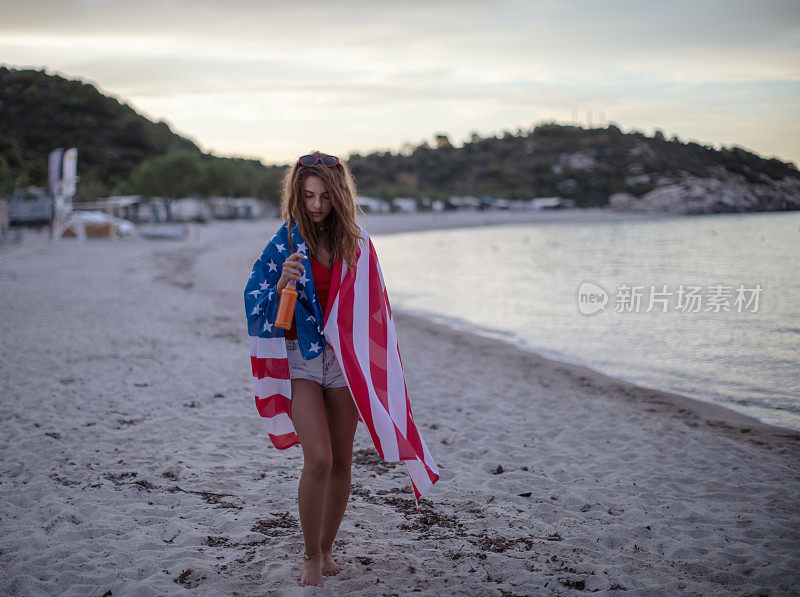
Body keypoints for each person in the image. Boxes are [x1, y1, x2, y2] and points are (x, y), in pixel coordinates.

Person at [244, 151, 439, 588]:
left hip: (343, 362)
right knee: (320, 458)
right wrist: (280, 287)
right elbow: (255, 304)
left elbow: (376, 310)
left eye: (324, 196)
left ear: (339, 196)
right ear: (297, 195)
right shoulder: (285, 241)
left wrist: (374, 365)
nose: (315, 205)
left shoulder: (358, 244)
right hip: (299, 358)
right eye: (308, 195)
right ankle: (310, 555)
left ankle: (328, 547)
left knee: (344, 460)